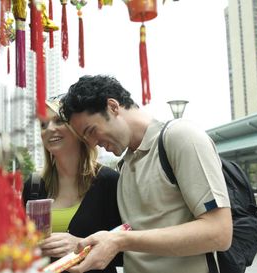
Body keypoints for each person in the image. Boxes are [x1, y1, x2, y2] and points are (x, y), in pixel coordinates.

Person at [59, 75, 233, 273]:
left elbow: (219, 233)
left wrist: (120, 241)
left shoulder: (180, 137)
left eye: (91, 130)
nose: (91, 143)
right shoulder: (125, 165)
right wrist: (87, 245)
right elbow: (137, 237)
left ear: (113, 107)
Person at [22, 96, 123, 273]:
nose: (49, 129)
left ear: (77, 129)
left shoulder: (108, 181)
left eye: (58, 121)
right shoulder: (34, 185)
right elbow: (20, 246)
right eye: (43, 125)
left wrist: (80, 246)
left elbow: (127, 248)